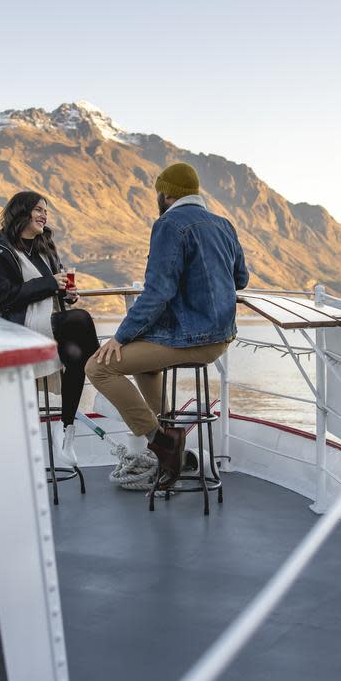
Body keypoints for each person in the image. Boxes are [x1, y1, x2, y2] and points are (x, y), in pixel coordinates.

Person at [86, 162, 248, 489]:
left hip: (187, 338)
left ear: (166, 193)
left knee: (98, 367)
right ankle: (171, 440)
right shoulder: (223, 225)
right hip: (221, 338)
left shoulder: (169, 225)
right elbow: (241, 279)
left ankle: (161, 443)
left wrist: (120, 336)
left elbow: (158, 291)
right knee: (145, 367)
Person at [0, 191, 100, 467]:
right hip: (22, 328)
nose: (43, 215)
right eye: (37, 209)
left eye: (45, 210)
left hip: (53, 323)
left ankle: (66, 428)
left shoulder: (46, 246)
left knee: (76, 355)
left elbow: (56, 285)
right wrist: (49, 285)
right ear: (20, 212)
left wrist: (68, 294)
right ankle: (104, 384)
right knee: (81, 321)